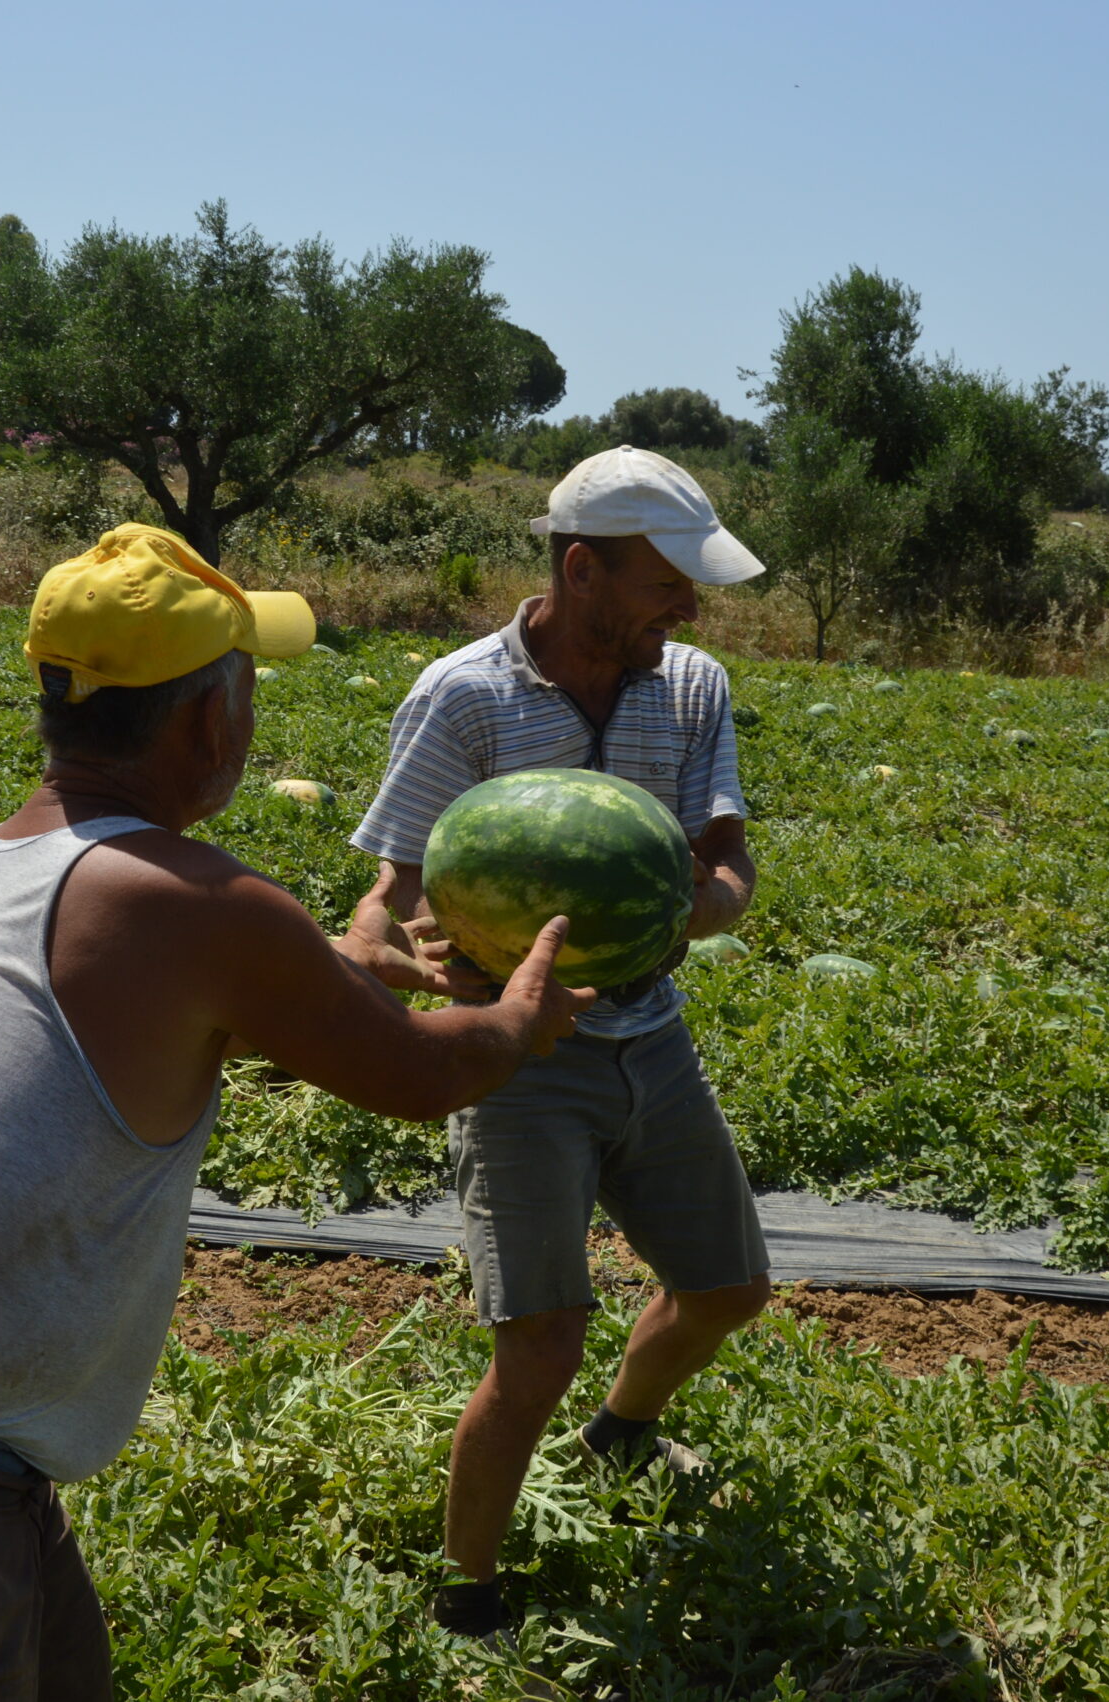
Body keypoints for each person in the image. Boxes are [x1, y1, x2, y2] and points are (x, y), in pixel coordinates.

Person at [0, 522, 595, 1700]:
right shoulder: (207, 910)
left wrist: (317, 975)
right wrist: (521, 1012)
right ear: (204, 721)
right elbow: (425, 1076)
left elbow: (142, 1016)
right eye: (246, 687)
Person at [349, 446, 774, 1642]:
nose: (690, 605)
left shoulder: (690, 685)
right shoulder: (463, 694)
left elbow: (727, 863)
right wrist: (393, 954)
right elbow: (388, 888)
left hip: (654, 1039)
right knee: (538, 1345)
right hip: (515, 1059)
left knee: (730, 1287)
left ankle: (624, 1431)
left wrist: (688, 908)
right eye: (667, 580)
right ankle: (467, 1594)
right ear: (582, 569)